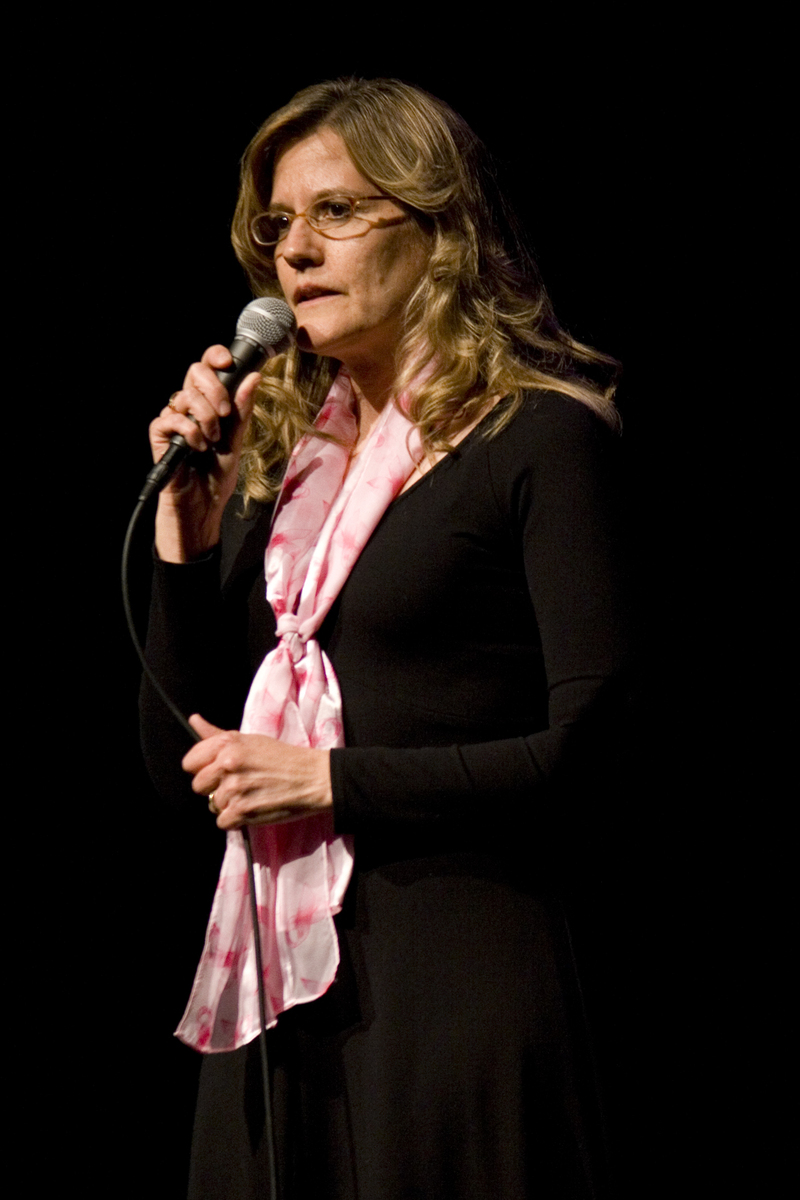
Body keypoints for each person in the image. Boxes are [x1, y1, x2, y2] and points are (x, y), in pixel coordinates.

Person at [140, 77, 630, 1200]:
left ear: (438, 231)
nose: (292, 253)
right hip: (276, 1007)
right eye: (276, 224)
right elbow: (184, 782)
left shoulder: (535, 438)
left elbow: (595, 751)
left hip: (455, 988)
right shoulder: (288, 472)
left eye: (335, 213)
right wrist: (183, 545)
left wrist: (330, 781)